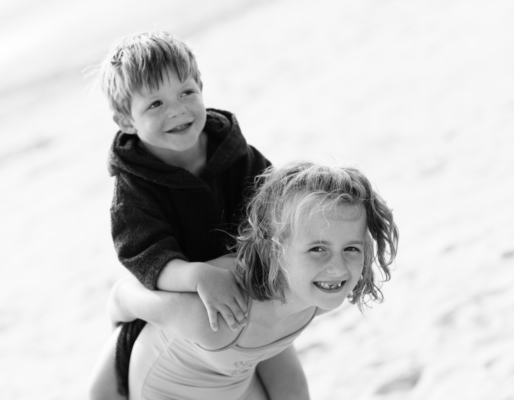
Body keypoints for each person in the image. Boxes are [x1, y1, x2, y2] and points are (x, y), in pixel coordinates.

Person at [107, 161, 399, 399]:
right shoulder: (214, 316)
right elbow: (123, 296)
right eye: (317, 249)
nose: (337, 268)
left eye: (351, 249)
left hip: (233, 382)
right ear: (274, 249)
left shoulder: (315, 295)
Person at [88, 31, 275, 399]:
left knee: (290, 386)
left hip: (245, 297)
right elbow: (146, 256)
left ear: (201, 86)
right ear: (126, 120)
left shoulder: (237, 154)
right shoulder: (134, 187)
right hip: (171, 304)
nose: (176, 110)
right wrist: (197, 275)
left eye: (186, 92)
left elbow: (275, 210)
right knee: (101, 392)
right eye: (155, 104)